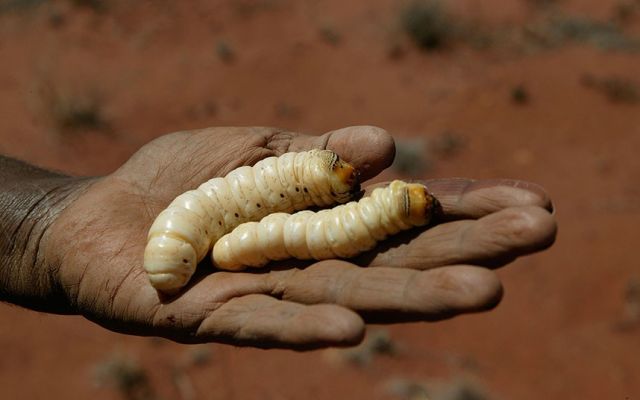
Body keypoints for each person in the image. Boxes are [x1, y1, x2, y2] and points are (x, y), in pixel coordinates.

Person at [0, 125, 556, 349]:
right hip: (215, 227)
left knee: (272, 229)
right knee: (262, 228)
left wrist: (47, 219)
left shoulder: (210, 224)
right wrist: (43, 223)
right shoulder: (186, 235)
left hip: (236, 221)